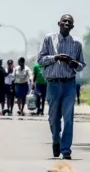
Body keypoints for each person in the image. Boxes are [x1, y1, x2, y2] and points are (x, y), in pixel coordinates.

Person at [37, 14, 86, 160]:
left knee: (68, 118)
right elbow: (40, 60)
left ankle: (66, 150)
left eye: (69, 22)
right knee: (53, 119)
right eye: (64, 21)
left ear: (72, 26)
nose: (66, 23)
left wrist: (72, 62)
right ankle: (56, 140)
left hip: (69, 84)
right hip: (53, 84)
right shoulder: (49, 39)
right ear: (59, 23)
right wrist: (56, 57)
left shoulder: (76, 44)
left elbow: (81, 65)